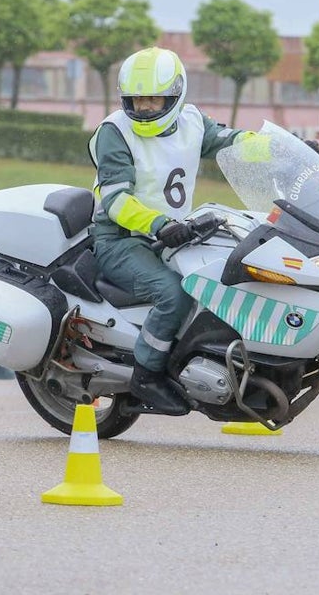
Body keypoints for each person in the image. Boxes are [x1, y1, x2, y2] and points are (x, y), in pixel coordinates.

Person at [88, 46, 257, 416]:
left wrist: (279, 149)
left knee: (225, 277)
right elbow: (115, 202)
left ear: (176, 94)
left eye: (154, 99)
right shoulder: (114, 132)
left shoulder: (193, 121)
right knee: (174, 294)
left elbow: (231, 142)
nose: (145, 108)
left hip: (176, 235)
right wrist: (159, 224)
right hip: (121, 239)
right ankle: (146, 374)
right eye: (137, 100)